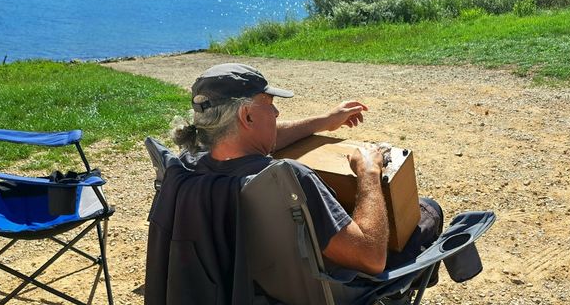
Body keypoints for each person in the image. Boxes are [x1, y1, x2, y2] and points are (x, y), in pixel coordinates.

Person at [171, 62, 445, 275]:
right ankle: (400, 289)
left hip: (250, 288)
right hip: (326, 293)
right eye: (270, 105)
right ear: (247, 116)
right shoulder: (287, 182)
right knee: (425, 210)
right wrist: (369, 172)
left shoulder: (188, 167)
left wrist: (325, 121)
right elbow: (372, 258)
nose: (277, 113)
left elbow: (264, 137)